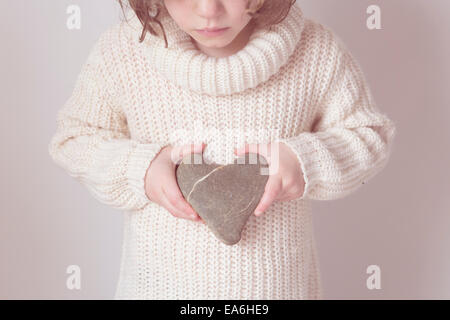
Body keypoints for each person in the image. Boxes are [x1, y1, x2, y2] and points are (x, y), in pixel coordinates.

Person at [48, 0, 396, 299]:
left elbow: (369, 134)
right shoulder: (123, 52)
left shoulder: (315, 51)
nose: (209, 10)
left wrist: (305, 161)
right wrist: (140, 168)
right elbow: (75, 139)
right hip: (155, 289)